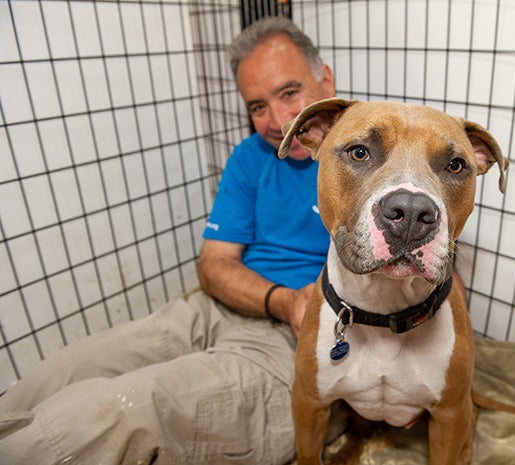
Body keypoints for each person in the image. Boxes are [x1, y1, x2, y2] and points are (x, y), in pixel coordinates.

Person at [0, 16, 339, 465]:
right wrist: (280, 299)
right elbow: (214, 264)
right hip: (223, 308)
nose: (278, 122)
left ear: (325, 79)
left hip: (296, 342)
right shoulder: (250, 156)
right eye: (257, 106)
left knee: (115, 416)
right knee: (61, 373)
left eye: (289, 93)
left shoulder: (368, 159)